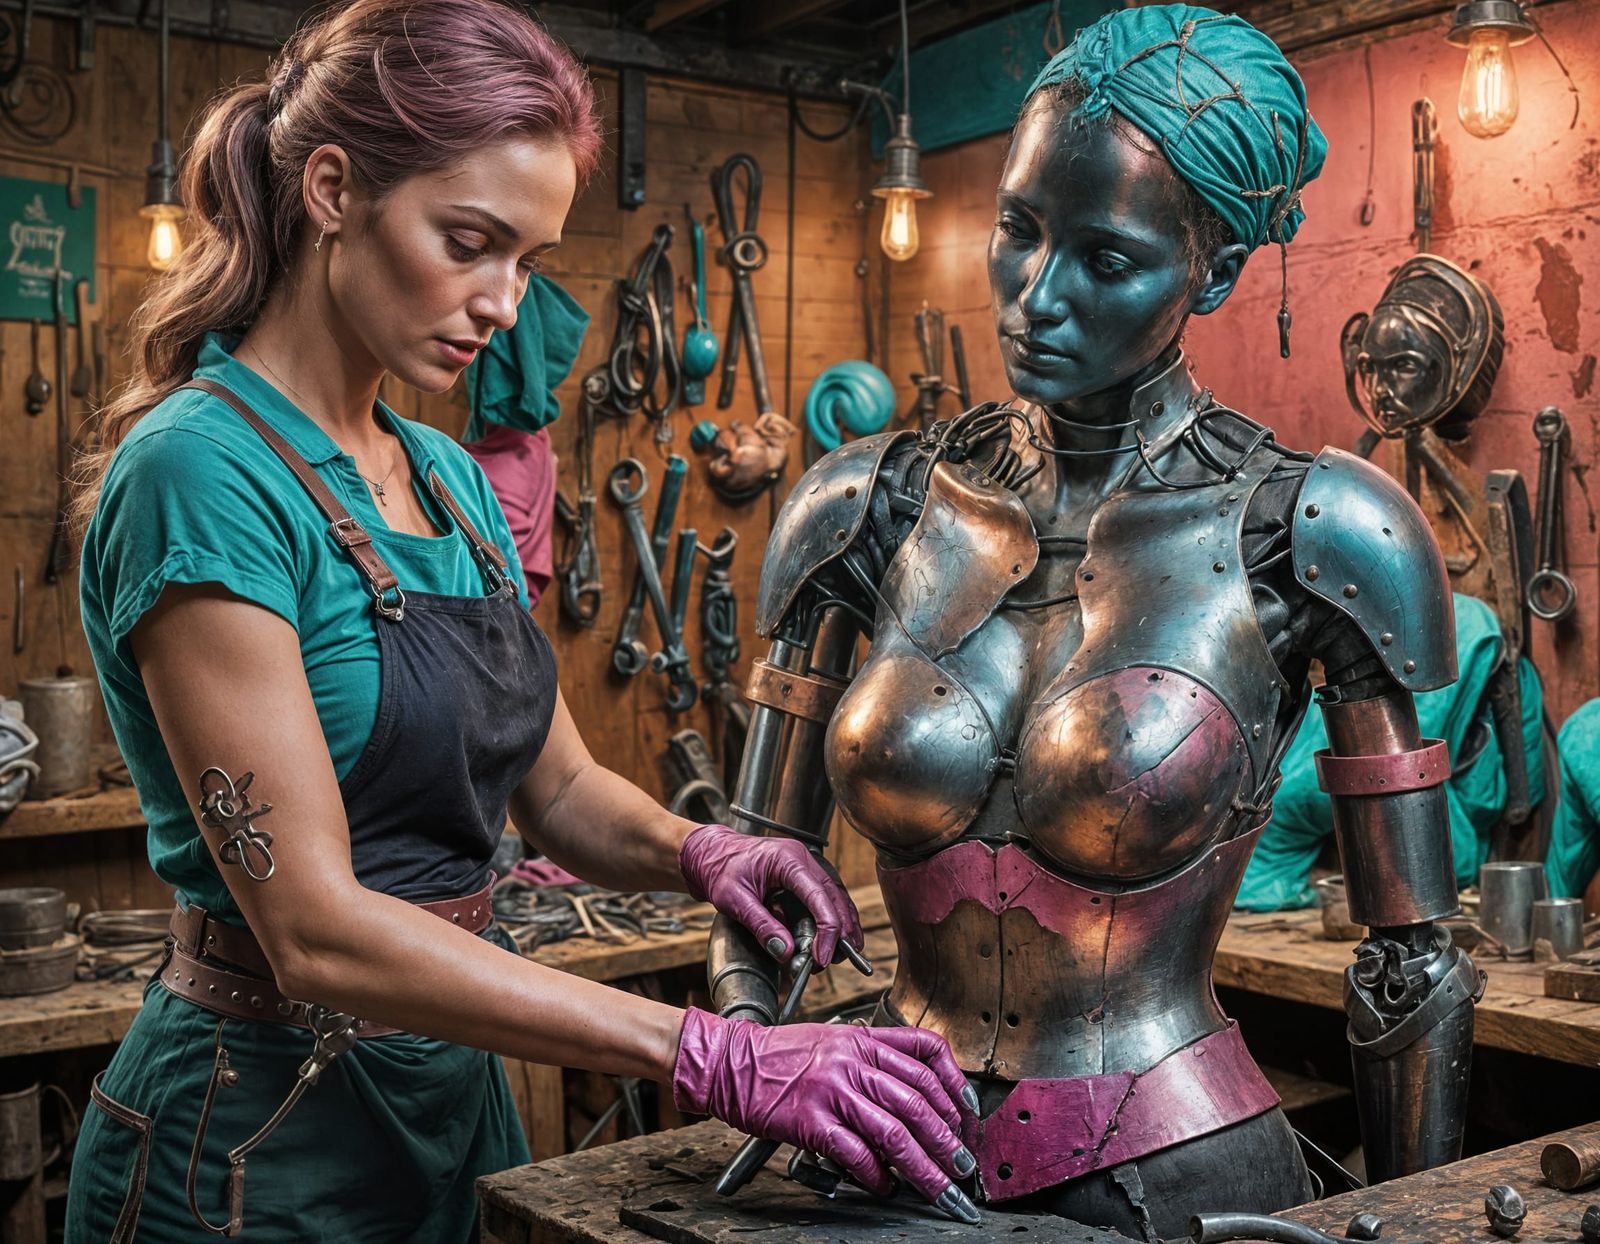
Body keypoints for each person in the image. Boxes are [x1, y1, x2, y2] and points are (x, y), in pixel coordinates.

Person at [63, 4, 976, 1240]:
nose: (503, 302)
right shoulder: (199, 473)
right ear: (333, 189)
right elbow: (316, 930)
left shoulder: (445, 476)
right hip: (249, 1146)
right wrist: (709, 1051)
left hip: (453, 1104)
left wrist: (699, 849)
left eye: (530, 260)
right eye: (469, 241)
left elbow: (559, 790)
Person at [709, 7, 1480, 1240]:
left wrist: (1406, 1217)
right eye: (1017, 230)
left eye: (1107, 260)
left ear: (1214, 273)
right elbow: (750, 871)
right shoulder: (860, 508)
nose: (1035, 297)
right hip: (873, 1152)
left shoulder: (1318, 530)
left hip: (1175, 1176)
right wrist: (751, 1054)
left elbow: (1411, 959)